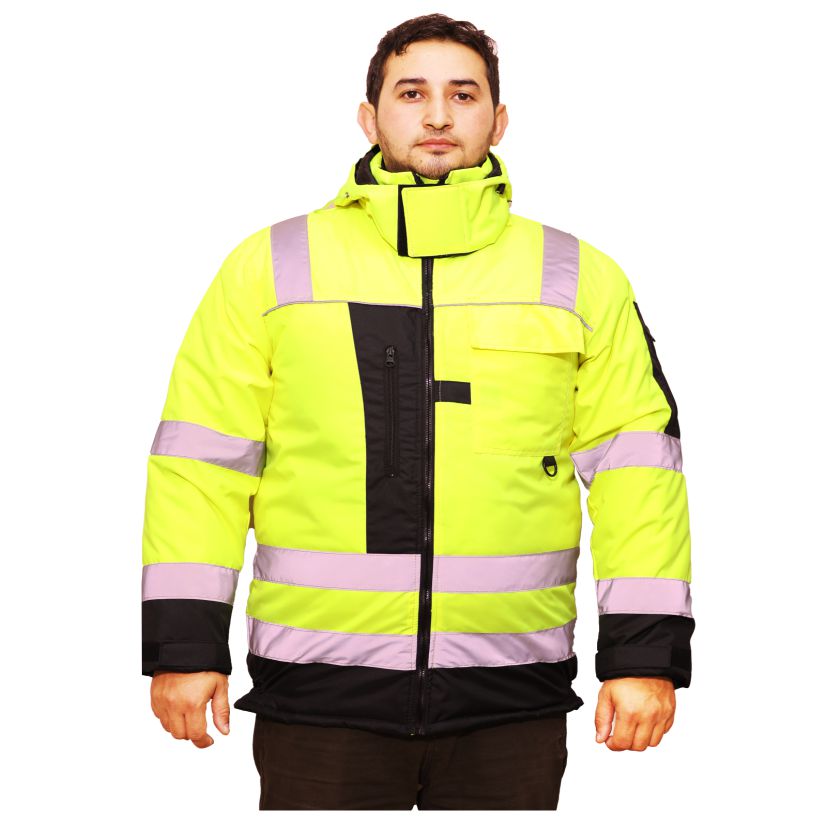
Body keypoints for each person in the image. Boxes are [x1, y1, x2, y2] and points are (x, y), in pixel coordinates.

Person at [141, 13, 695, 811]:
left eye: (462, 95)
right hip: (316, 694)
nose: (437, 115)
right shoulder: (270, 267)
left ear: (498, 120)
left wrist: (643, 657)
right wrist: (184, 645)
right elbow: (202, 467)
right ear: (369, 118)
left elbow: (638, 474)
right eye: (411, 93)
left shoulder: (578, 276)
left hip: (512, 693)